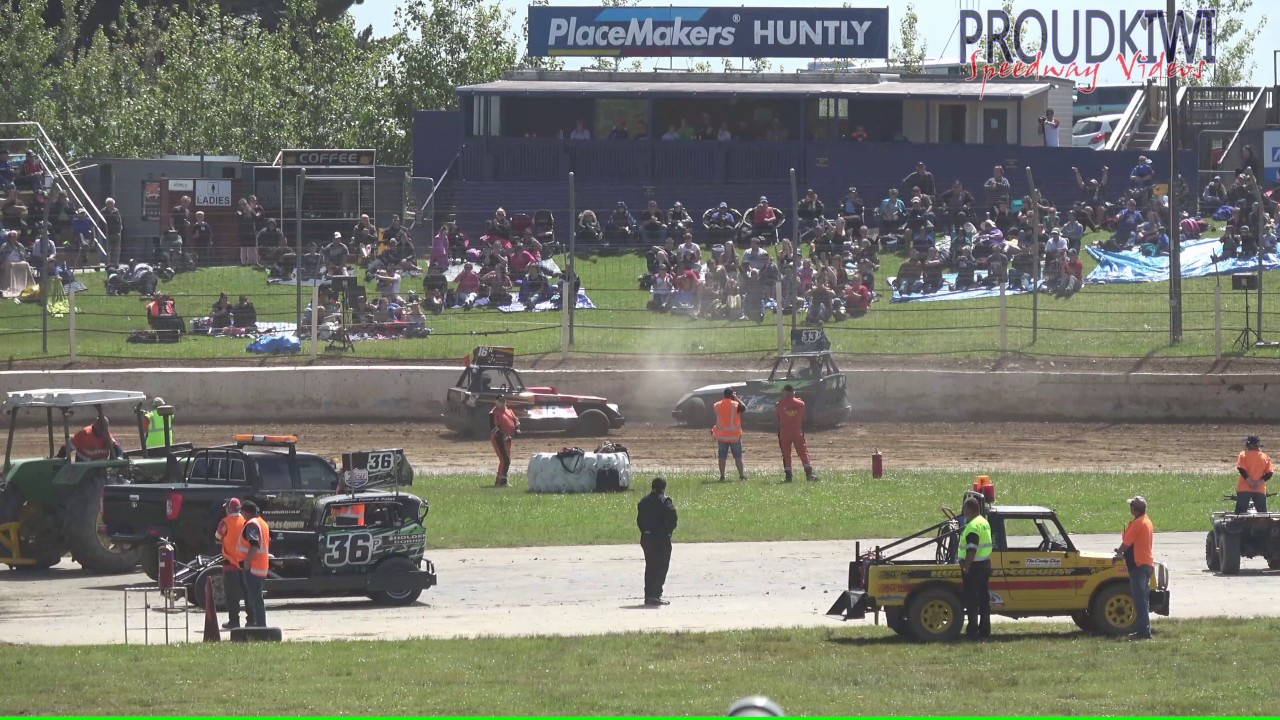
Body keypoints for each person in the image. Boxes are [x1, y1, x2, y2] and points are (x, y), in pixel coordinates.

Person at [1114, 495, 1154, 640]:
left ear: (1134, 509)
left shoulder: (1137, 523)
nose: (1129, 507)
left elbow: (1127, 542)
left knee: (1139, 600)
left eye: (1131, 505)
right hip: (1147, 564)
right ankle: (1145, 629)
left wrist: (1118, 552)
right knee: (1144, 599)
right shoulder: (1147, 521)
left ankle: (1143, 632)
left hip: (1138, 564)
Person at [636, 476, 678, 607]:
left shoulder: (643, 501)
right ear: (663, 488)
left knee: (650, 566)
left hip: (647, 538)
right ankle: (655, 595)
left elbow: (639, 521)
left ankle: (649, 595)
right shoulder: (665, 501)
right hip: (660, 539)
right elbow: (672, 518)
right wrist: (668, 533)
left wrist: (645, 532)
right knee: (660, 567)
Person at [958, 496, 992, 640]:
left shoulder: (972, 526)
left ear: (969, 509)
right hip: (985, 564)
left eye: (964, 508)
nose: (963, 511)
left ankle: (972, 631)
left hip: (974, 567)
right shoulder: (984, 522)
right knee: (984, 599)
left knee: (972, 600)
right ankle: (985, 630)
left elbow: (971, 550)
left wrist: (966, 568)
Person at [213, 498, 247, 630]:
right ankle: (252, 621)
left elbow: (217, 537)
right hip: (244, 564)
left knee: (232, 596)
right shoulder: (245, 521)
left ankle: (234, 621)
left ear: (228, 509)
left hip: (230, 564)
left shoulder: (224, 522)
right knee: (247, 594)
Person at [235, 501, 270, 628]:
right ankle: (258, 625)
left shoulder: (252, 524)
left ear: (245, 512)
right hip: (260, 567)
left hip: (253, 568)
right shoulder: (262, 523)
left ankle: (259, 626)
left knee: (255, 600)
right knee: (256, 599)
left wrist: (247, 562)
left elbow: (254, 544)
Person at [775, 385, 816, 482]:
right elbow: (802, 416)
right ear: (793, 392)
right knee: (803, 452)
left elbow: (778, 417)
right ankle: (809, 474)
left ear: (784, 392)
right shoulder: (801, 403)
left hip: (784, 432)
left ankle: (788, 477)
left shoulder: (779, 404)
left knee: (786, 454)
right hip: (797, 432)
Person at [712, 388, 747, 482]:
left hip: (722, 436)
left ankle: (722, 476)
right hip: (734, 436)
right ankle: (741, 476)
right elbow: (744, 407)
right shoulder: (735, 405)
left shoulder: (717, 405)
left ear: (723, 395)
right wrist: (736, 398)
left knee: (722, 458)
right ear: (732, 395)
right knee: (738, 457)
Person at [1235, 435, 1273, 513]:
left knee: (1239, 515)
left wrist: (1250, 482)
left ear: (1248, 444)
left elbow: (1241, 469)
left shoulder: (1243, 455)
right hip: (1259, 490)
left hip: (1244, 489)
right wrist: (1258, 483)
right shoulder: (1265, 457)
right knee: (1262, 515)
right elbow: (1269, 473)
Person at [490, 395, 519, 487]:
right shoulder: (493, 413)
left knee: (506, 460)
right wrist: (503, 435)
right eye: (500, 400)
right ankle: (502, 482)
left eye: (503, 400)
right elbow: (493, 427)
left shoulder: (509, 411)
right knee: (504, 460)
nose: (502, 402)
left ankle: (500, 480)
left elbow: (516, 420)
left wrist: (517, 428)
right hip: (498, 439)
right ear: (496, 401)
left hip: (508, 439)